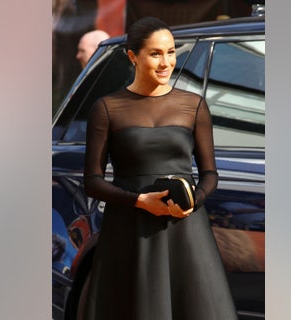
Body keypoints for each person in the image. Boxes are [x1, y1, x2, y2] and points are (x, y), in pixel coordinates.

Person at [82, 16, 238, 319]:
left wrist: (194, 201)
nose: (166, 62)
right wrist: (139, 201)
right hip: (129, 232)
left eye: (170, 52)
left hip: (186, 229)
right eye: (155, 53)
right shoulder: (107, 108)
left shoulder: (194, 105)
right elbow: (92, 181)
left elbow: (209, 174)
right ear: (133, 57)